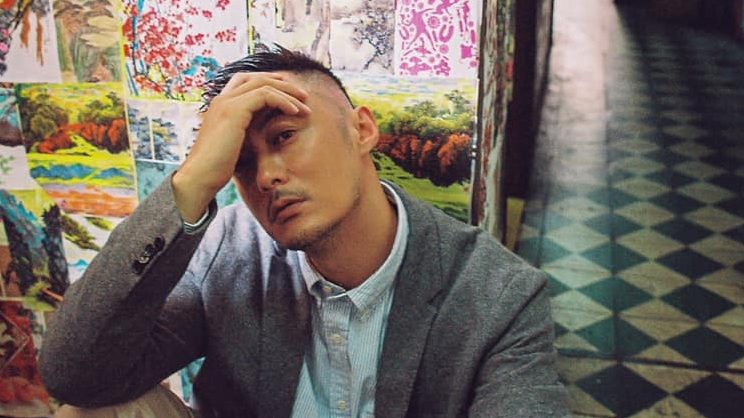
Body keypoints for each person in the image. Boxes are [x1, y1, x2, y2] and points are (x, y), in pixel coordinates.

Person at [39, 46, 570, 418]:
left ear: (362, 129)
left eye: (285, 136)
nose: (266, 177)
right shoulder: (228, 247)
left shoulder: (498, 295)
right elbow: (75, 375)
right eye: (242, 164)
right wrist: (192, 183)